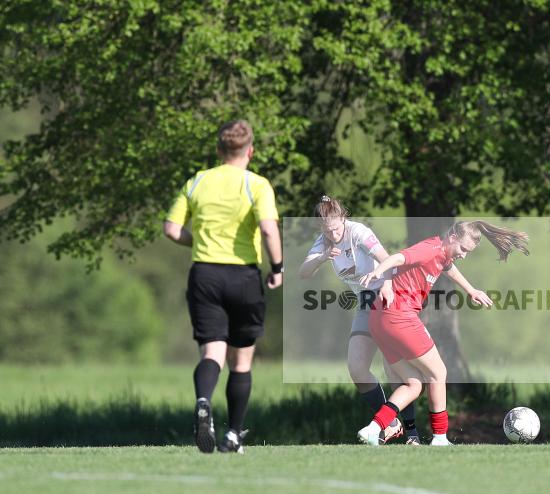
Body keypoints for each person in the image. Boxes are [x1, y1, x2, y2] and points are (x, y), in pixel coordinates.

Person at [163, 119, 283, 455]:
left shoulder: (198, 181)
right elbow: (269, 229)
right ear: (250, 151)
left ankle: (204, 401)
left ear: (219, 150)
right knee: (241, 361)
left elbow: (171, 229)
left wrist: (200, 241)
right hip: (243, 276)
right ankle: (233, 436)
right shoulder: (256, 184)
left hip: (204, 274)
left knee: (212, 353)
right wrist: (277, 267)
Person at [356, 220, 530, 446]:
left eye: (468, 252)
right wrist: (378, 271)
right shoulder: (430, 249)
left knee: (413, 384)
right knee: (438, 373)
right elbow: (398, 257)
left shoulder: (442, 254)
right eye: (463, 249)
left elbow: (447, 267)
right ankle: (439, 437)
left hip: (379, 319)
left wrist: (471, 290)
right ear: (453, 237)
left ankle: (373, 429)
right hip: (399, 316)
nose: (463, 255)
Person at [298, 196, 420, 444]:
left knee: (394, 370)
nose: (333, 234)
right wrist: (322, 257)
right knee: (357, 369)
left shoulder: (358, 232)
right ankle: (391, 423)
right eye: (327, 230)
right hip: (365, 303)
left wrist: (387, 285)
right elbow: (304, 272)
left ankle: (413, 435)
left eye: (336, 228)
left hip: (387, 298)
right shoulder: (323, 241)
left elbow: (389, 260)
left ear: (343, 218)